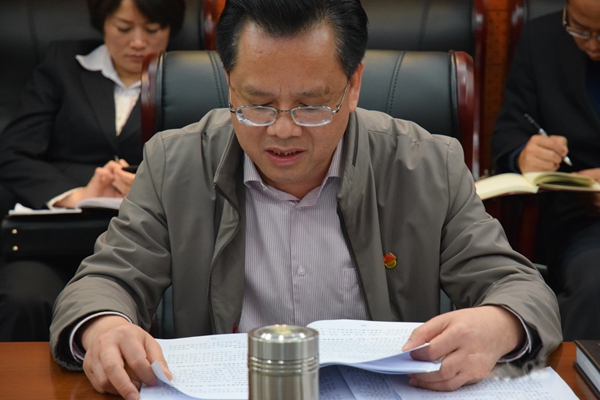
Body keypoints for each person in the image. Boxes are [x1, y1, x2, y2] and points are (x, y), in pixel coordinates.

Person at [50, 0, 562, 398]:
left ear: (354, 85)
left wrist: (499, 324)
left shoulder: (427, 165)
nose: (283, 131)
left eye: (311, 105)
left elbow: (519, 287)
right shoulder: (174, 164)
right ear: (229, 85)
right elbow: (102, 282)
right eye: (258, 103)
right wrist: (104, 326)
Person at [0, 0, 185, 341]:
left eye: (153, 29)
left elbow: (203, 163)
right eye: (124, 28)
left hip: (145, 246)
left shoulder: (189, 78)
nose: (138, 42)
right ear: (102, 23)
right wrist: (75, 195)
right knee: (25, 299)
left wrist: (148, 187)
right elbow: (13, 153)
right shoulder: (63, 64)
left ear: (171, 29)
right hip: (58, 239)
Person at [492, 0, 600, 340]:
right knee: (595, 286)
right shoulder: (540, 38)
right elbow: (510, 130)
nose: (592, 45)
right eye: (580, 30)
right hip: (581, 224)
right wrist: (524, 153)